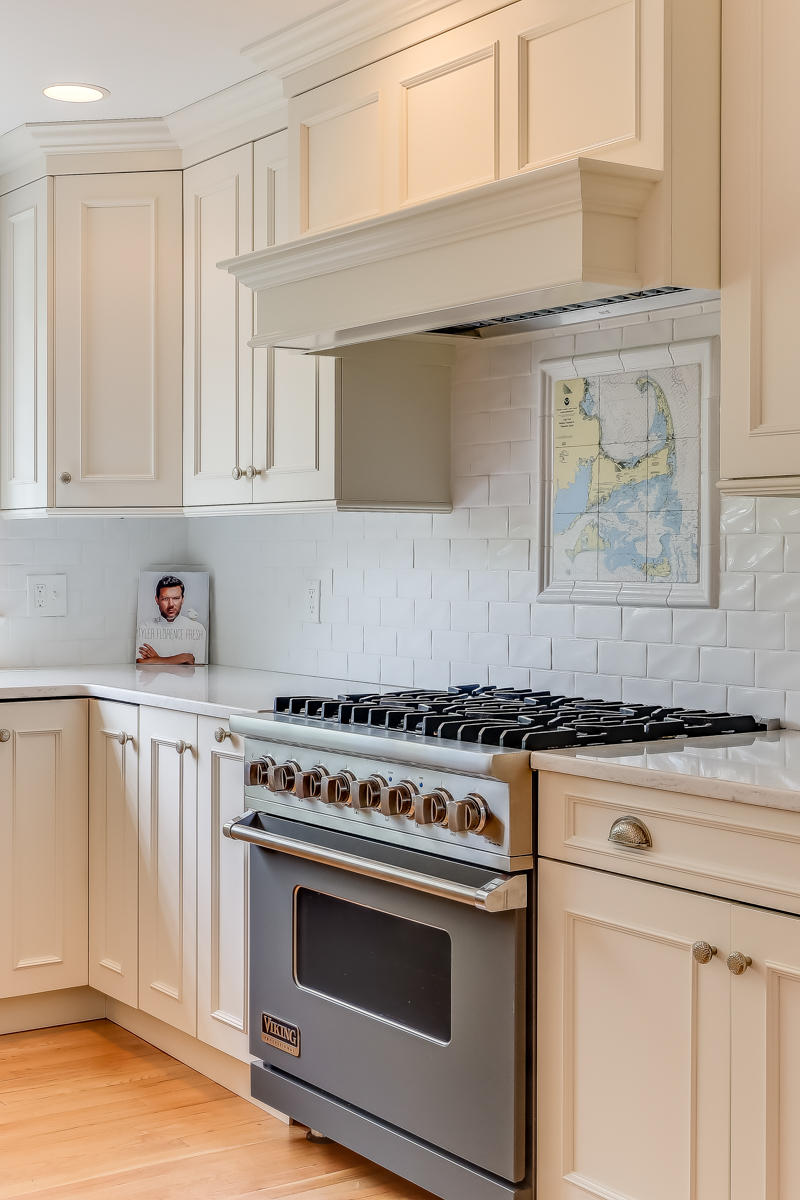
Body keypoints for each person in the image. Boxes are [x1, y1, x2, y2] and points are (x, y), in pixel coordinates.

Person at [136, 575, 207, 665]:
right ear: (157, 600)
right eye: (165, 599)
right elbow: (139, 663)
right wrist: (183, 658)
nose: (171, 604)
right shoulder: (144, 628)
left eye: (176, 598)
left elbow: (198, 669)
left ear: (182, 599)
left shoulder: (198, 629)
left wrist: (156, 660)